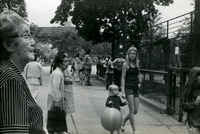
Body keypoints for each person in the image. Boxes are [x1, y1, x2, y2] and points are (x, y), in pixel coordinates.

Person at [0, 10, 45, 133]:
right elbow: (14, 131)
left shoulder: (9, 72)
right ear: (9, 45)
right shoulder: (9, 77)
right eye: (26, 36)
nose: (33, 42)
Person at [121, 46, 141, 134]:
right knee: (131, 109)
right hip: (128, 88)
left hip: (135, 87)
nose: (132, 55)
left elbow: (138, 73)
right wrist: (122, 91)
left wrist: (139, 81)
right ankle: (134, 130)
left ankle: (123, 121)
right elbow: (123, 77)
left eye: (134, 53)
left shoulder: (137, 63)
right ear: (128, 54)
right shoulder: (126, 64)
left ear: (136, 55)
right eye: (131, 53)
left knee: (136, 110)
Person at [47, 52, 69, 134]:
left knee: (58, 116)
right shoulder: (57, 73)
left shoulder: (59, 72)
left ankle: (59, 130)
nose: (67, 63)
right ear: (60, 63)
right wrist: (57, 102)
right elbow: (55, 88)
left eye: (68, 61)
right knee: (55, 115)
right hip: (55, 98)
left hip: (58, 97)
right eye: (65, 61)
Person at [182, 67, 200, 134]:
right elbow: (184, 107)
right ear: (195, 78)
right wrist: (194, 104)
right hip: (194, 122)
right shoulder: (189, 91)